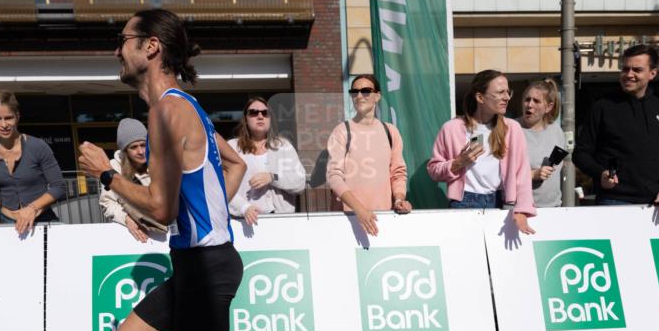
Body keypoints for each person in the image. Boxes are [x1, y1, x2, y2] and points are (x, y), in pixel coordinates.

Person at [77, 8, 321, 331]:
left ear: (151, 48)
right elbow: (231, 165)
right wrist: (208, 213)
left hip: (207, 268)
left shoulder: (167, 111)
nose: (116, 49)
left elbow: (161, 208)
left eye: (123, 40)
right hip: (192, 263)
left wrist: (105, 174)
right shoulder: (184, 107)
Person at [572, 44, 659, 218]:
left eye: (637, 70)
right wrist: (600, 174)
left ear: (652, 73)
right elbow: (581, 153)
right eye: (625, 69)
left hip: (656, 204)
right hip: (613, 201)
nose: (629, 74)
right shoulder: (602, 106)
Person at [427, 69, 536, 234]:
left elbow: (522, 173)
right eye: (500, 93)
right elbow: (434, 170)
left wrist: (522, 209)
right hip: (464, 202)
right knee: (466, 257)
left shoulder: (512, 128)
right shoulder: (452, 128)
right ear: (480, 97)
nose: (506, 97)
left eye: (508, 92)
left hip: (501, 201)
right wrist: (458, 163)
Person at [325, 74, 410, 236]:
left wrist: (399, 199)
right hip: (347, 219)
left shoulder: (390, 132)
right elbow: (334, 177)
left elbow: (398, 173)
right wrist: (359, 209)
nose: (359, 96)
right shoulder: (342, 131)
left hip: (383, 217)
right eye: (354, 91)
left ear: (377, 96)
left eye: (365, 91)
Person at [0, 86, 65, 236]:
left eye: (9, 117)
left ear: (18, 116)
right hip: (5, 223)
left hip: (40, 220)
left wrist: (32, 208)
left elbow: (58, 187)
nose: (4, 125)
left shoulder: (38, 147)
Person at [227, 96, 306, 226]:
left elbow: (300, 182)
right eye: (254, 112)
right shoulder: (232, 147)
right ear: (245, 119)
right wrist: (243, 207)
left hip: (280, 222)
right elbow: (222, 186)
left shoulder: (283, 146)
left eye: (265, 113)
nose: (260, 116)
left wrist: (272, 177)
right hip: (243, 222)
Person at [99, 117, 153, 242]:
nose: (140, 151)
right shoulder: (112, 167)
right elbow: (107, 203)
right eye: (134, 147)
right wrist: (126, 219)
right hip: (133, 237)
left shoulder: (162, 164)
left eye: (143, 145)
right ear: (124, 150)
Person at [518, 79, 566, 209]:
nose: (529, 105)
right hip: (521, 209)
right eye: (527, 99)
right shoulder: (512, 129)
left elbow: (559, 168)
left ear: (548, 107)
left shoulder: (556, 131)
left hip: (553, 208)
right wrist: (533, 174)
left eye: (536, 101)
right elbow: (503, 174)